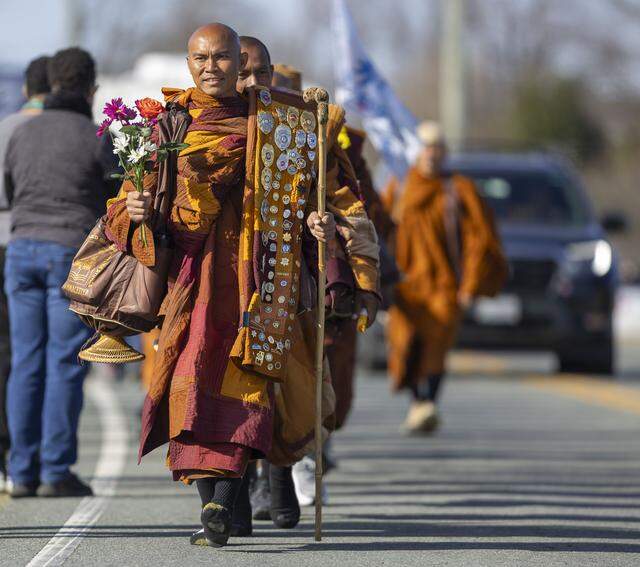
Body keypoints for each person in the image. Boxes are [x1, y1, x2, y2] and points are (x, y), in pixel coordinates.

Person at [105, 24, 379, 548]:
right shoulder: (167, 124)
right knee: (186, 388)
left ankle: (224, 503)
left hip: (262, 281)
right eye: (200, 58)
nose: (212, 67)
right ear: (188, 63)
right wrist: (134, 209)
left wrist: (319, 225)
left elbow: (321, 197)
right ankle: (215, 502)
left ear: (239, 60)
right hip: (190, 284)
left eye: (223, 58)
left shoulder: (283, 123)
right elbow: (123, 207)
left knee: (246, 389)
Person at [237, 38, 382, 512]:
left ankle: (280, 476)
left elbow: (347, 205)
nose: (255, 85)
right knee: (236, 386)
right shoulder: (205, 125)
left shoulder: (302, 130)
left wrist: (325, 227)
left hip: (289, 277)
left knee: (285, 379)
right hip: (229, 279)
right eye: (246, 74)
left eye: (264, 76)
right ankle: (244, 486)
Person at [3, 47, 119, 497]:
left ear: (50, 85)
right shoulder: (95, 136)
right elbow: (112, 199)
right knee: (64, 363)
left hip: (21, 250)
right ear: (91, 89)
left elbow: (11, 190)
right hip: (70, 252)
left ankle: (21, 471)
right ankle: (55, 471)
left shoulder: (23, 134)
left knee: (25, 361)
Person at [385, 121, 506, 434]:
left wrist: (471, 285)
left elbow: (480, 240)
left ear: (445, 153)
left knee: (436, 344)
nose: (431, 154)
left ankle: (429, 403)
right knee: (406, 344)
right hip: (405, 286)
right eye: (426, 147)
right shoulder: (399, 187)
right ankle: (417, 402)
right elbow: (377, 228)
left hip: (444, 286)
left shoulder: (459, 189)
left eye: (437, 147)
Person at [0, 55, 51, 493]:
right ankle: (47, 463)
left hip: (13, 242)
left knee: (18, 357)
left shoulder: (6, 128)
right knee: (52, 358)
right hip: (52, 241)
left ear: (24, 90)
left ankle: (15, 458)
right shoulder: (61, 129)